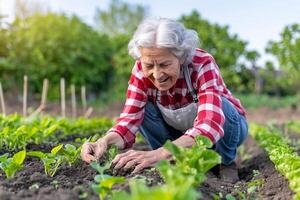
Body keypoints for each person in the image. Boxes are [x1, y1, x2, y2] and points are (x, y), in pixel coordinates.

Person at [81, 18, 248, 183]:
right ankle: (171, 159)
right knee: (142, 108)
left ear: (181, 57)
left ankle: (226, 161)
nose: (157, 74)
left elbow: (209, 125)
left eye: (164, 64)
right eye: (149, 65)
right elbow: (128, 121)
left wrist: (160, 153)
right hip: (181, 133)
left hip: (226, 130)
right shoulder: (140, 70)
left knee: (221, 106)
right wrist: (104, 142)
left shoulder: (201, 64)